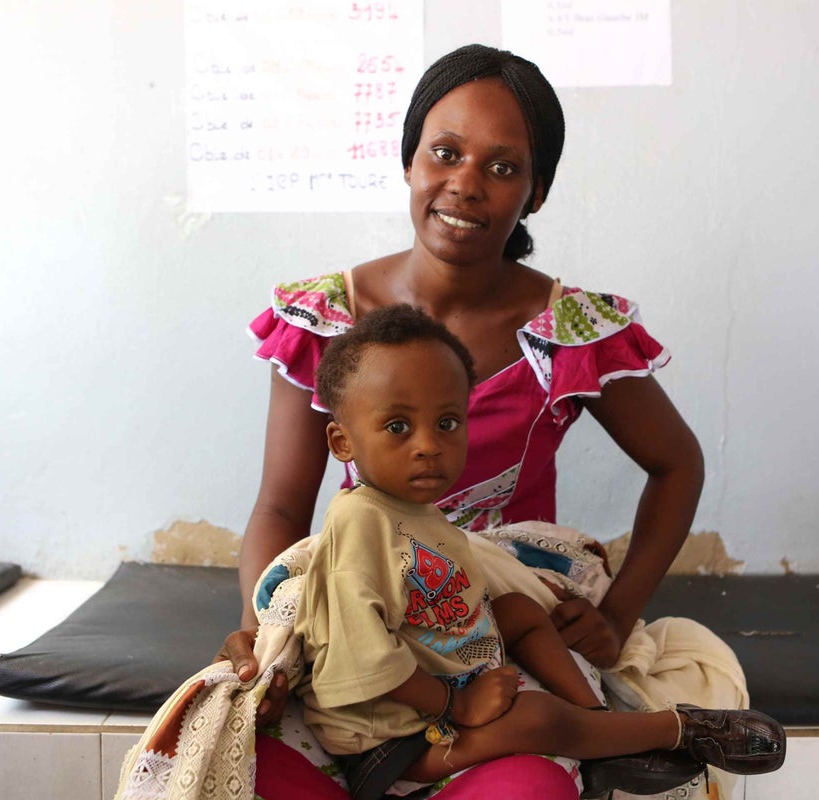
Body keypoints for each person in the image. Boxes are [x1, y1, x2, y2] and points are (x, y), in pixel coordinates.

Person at [221, 43, 748, 798]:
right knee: (240, 759)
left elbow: (678, 465)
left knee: (531, 782)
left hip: (499, 626)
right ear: (409, 161)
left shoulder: (570, 328)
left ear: (535, 193)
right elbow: (279, 505)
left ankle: (595, 740)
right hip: (365, 600)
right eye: (446, 153)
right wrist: (260, 635)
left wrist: (620, 615)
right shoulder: (325, 320)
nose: (465, 185)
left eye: (503, 168)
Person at [292, 303, 784, 800]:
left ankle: (598, 729)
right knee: (537, 716)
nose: (428, 446)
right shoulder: (358, 523)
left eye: (447, 423)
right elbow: (363, 662)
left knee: (520, 611)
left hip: (437, 664)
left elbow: (437, 596)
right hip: (391, 738)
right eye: (398, 427)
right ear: (342, 441)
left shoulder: (413, 510)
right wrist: (457, 705)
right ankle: (676, 730)